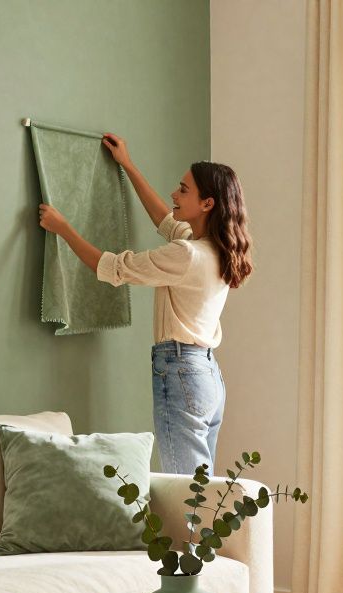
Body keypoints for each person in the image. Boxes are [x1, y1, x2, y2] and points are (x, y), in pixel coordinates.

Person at [37, 134, 252, 475]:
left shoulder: (186, 255)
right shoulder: (214, 249)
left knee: (184, 494)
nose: (174, 194)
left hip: (181, 371)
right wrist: (128, 165)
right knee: (199, 491)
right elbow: (165, 222)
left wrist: (63, 229)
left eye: (183, 189)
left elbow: (112, 267)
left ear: (207, 203)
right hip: (207, 375)